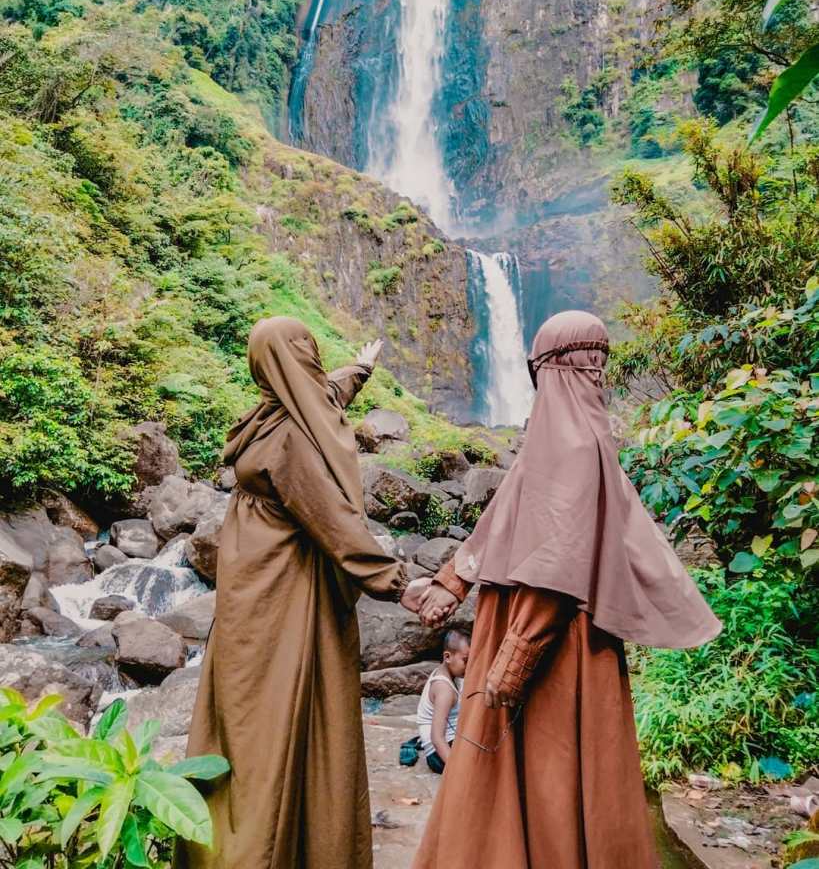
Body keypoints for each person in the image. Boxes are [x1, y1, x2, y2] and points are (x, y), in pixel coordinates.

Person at [413, 310, 722, 869]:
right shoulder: (578, 440)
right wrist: (451, 579)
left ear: (549, 367)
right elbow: (507, 514)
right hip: (561, 638)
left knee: (544, 768)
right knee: (563, 773)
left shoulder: (573, 447)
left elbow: (558, 566)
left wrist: (514, 656)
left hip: (549, 641)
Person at [175, 317, 431, 869]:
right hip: (284, 605)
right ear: (297, 360)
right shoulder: (292, 438)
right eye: (308, 352)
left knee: (240, 724)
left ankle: (230, 841)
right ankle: (266, 850)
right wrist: (401, 584)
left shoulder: (266, 417)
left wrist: (360, 370)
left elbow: (324, 393)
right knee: (276, 726)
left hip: (247, 600)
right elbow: (335, 521)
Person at [416, 629, 470, 773]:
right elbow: (437, 737)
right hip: (438, 754)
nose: (470, 666)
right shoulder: (444, 690)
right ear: (447, 657)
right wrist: (457, 771)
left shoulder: (448, 672)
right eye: (466, 661)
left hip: (450, 741)